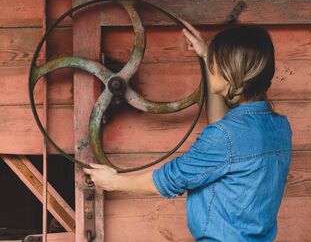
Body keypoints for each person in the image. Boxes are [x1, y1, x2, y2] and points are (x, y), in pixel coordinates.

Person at [83, 19, 292, 241]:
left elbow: (172, 179)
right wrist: (205, 57)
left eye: (214, 60)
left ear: (230, 71)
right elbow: (225, 136)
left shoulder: (225, 137)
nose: (211, 63)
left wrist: (115, 182)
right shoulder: (280, 128)